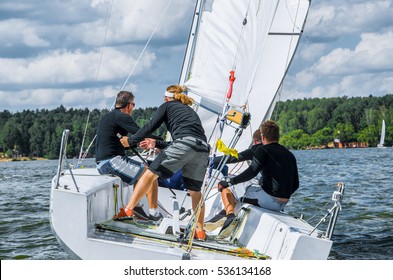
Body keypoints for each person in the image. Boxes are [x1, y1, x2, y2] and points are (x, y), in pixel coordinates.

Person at [117, 85, 210, 241]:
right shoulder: (190, 111)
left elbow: (150, 126)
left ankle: (127, 211)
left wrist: (131, 141)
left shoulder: (167, 106)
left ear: (167, 98)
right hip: (202, 149)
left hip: (184, 145)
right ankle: (200, 231)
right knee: (195, 192)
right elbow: (188, 142)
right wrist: (156, 144)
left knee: (149, 174)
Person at [210, 120, 299, 238]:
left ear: (262, 136)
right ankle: (225, 213)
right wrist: (281, 197)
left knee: (229, 189)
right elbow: (296, 184)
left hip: (268, 200)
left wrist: (229, 182)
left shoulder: (263, 150)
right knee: (248, 186)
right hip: (282, 205)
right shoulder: (289, 154)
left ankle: (230, 216)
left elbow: (252, 172)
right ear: (277, 136)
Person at [95, 90, 162, 221]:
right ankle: (153, 214)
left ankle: (136, 207)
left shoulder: (110, 116)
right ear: (130, 105)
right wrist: (160, 143)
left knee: (144, 172)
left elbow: (125, 142)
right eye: (134, 105)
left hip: (105, 161)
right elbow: (141, 132)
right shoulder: (122, 116)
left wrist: (138, 144)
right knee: (151, 174)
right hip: (111, 161)